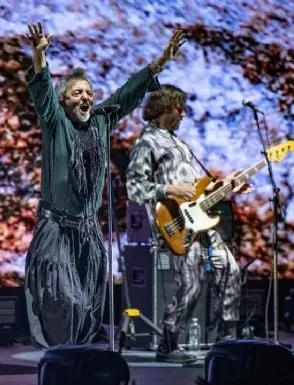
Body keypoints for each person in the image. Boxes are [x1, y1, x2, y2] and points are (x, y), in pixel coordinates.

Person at [22, 21, 186, 348]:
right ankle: (60, 359)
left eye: (89, 93)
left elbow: (127, 93)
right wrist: (40, 56)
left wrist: (161, 62)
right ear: (64, 100)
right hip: (57, 231)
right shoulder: (55, 122)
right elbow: (42, 91)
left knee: (87, 304)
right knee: (62, 297)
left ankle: (75, 360)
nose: (86, 97)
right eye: (77, 92)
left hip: (87, 232)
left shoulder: (100, 119)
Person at [126, 85, 248, 362]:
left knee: (230, 270)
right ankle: (167, 345)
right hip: (175, 226)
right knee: (190, 284)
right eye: (177, 107)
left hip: (200, 222)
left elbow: (196, 189)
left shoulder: (180, 143)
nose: (183, 113)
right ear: (161, 109)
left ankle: (227, 340)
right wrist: (169, 190)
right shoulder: (147, 142)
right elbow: (134, 187)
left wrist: (227, 187)